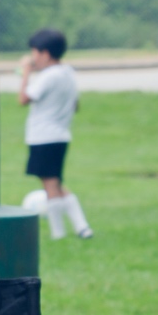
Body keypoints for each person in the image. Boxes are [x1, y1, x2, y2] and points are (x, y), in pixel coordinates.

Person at [19, 28, 92, 240]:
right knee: (56, 183)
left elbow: (23, 99)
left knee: (50, 185)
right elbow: (75, 105)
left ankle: (58, 232)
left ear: (45, 54)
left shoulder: (48, 76)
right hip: (61, 135)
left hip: (43, 136)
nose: (33, 58)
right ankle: (82, 227)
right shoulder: (68, 72)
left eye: (34, 53)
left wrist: (25, 72)